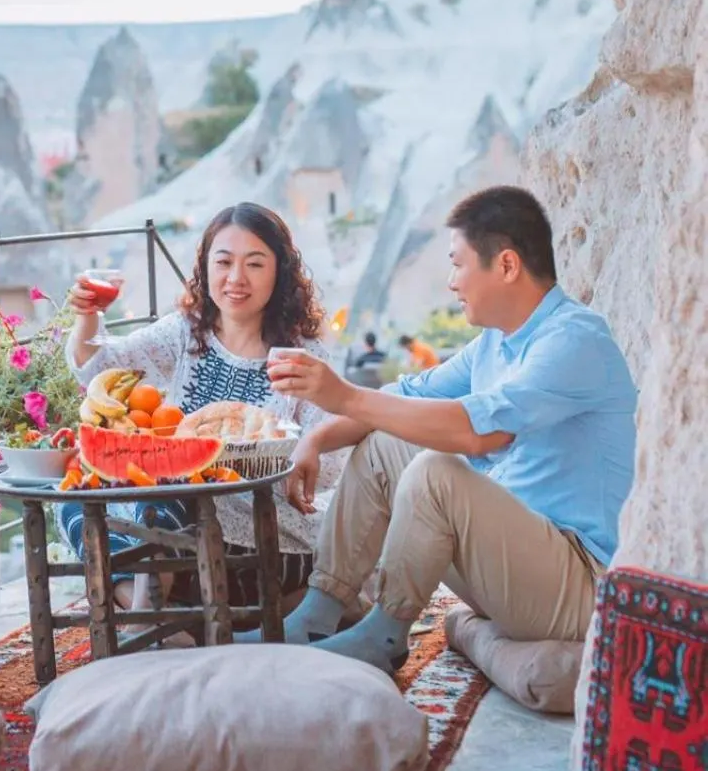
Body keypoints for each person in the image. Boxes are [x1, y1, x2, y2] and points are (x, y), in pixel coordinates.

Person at [261, 185, 637, 673]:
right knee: (385, 443)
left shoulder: (574, 341)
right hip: (516, 564)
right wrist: (316, 438)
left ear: (505, 265)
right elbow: (403, 398)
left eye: (458, 264)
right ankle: (318, 615)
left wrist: (345, 395)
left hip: (581, 582)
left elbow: (481, 435)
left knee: (436, 472)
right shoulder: (493, 344)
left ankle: (382, 635)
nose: (452, 282)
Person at [61, 202, 344, 611]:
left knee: (166, 496)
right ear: (205, 267)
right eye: (224, 261)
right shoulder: (184, 334)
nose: (236, 278)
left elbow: (330, 465)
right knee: (76, 501)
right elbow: (99, 370)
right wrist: (89, 315)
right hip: (174, 539)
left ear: (279, 273)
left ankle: (147, 616)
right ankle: (151, 614)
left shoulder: (299, 357)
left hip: (264, 546)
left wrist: (277, 455)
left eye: (255, 264)